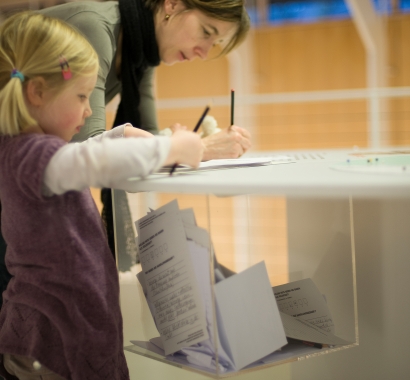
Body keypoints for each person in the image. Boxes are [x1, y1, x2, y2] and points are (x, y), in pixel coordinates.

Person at [0, 0, 251, 307]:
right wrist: (180, 147)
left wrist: (190, 148)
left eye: (216, 43)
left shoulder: (141, 51)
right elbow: (87, 153)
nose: (204, 52)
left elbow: (143, 138)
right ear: (172, 4)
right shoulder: (95, 25)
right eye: (206, 32)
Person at [0, 11, 203, 380]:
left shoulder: (24, 151)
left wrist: (119, 135)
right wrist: (170, 148)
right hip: (51, 342)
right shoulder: (32, 156)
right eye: (80, 95)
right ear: (37, 92)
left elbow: (83, 155)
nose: (91, 109)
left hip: (49, 334)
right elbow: (89, 160)